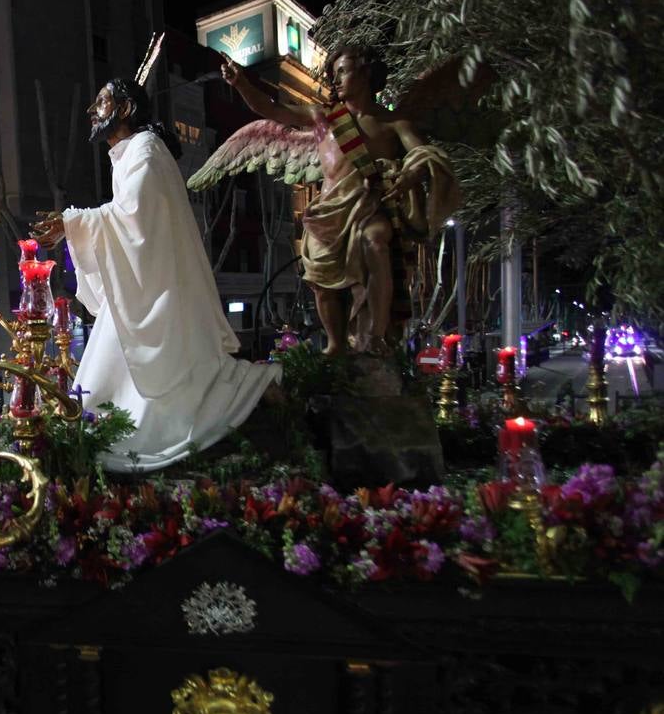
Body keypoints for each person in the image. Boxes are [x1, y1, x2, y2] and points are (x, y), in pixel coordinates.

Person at [31, 75, 280, 471]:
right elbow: (128, 219)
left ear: (126, 109)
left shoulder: (146, 149)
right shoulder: (130, 153)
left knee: (163, 374)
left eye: (101, 101)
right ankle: (101, 434)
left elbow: (135, 216)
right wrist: (73, 224)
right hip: (145, 278)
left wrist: (71, 223)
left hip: (159, 284)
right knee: (110, 374)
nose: (92, 111)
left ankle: (244, 395)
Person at [218, 46, 457, 355]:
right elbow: (272, 109)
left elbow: (424, 156)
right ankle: (335, 344)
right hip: (329, 211)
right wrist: (241, 83)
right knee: (320, 279)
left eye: (343, 71)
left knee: (376, 242)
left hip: (371, 207)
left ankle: (376, 335)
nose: (336, 80)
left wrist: (411, 174)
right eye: (334, 74)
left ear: (366, 73)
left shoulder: (394, 123)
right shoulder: (323, 117)